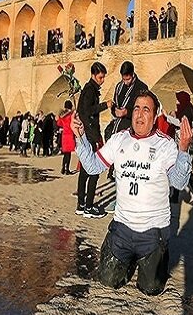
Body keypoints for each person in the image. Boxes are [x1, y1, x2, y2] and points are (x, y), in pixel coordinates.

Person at [72, 90, 193, 296]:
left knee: (151, 289)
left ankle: (150, 259)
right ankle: (125, 260)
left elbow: (179, 182)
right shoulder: (119, 140)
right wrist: (81, 137)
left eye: (146, 109)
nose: (139, 114)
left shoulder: (165, 145)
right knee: (108, 281)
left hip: (153, 232)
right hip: (122, 229)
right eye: (136, 108)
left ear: (155, 117)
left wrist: (183, 150)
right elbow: (92, 166)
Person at [76, 62, 113, 218]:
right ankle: (89, 206)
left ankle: (81, 205)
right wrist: (105, 105)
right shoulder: (90, 90)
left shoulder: (88, 89)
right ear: (94, 75)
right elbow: (87, 111)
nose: (102, 80)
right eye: (100, 77)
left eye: (103, 77)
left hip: (86, 134)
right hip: (90, 134)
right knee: (94, 171)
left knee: (85, 171)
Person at [105, 61, 149, 180]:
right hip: (118, 125)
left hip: (132, 126)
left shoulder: (141, 88)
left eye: (127, 79)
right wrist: (115, 111)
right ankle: (113, 170)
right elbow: (114, 104)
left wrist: (127, 112)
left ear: (132, 74)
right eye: (124, 79)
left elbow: (143, 109)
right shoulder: (119, 87)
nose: (125, 82)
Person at [57, 100, 76, 174]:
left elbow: (59, 123)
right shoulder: (71, 114)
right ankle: (67, 169)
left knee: (65, 154)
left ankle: (63, 168)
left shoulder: (62, 115)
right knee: (69, 154)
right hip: (70, 134)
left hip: (64, 135)